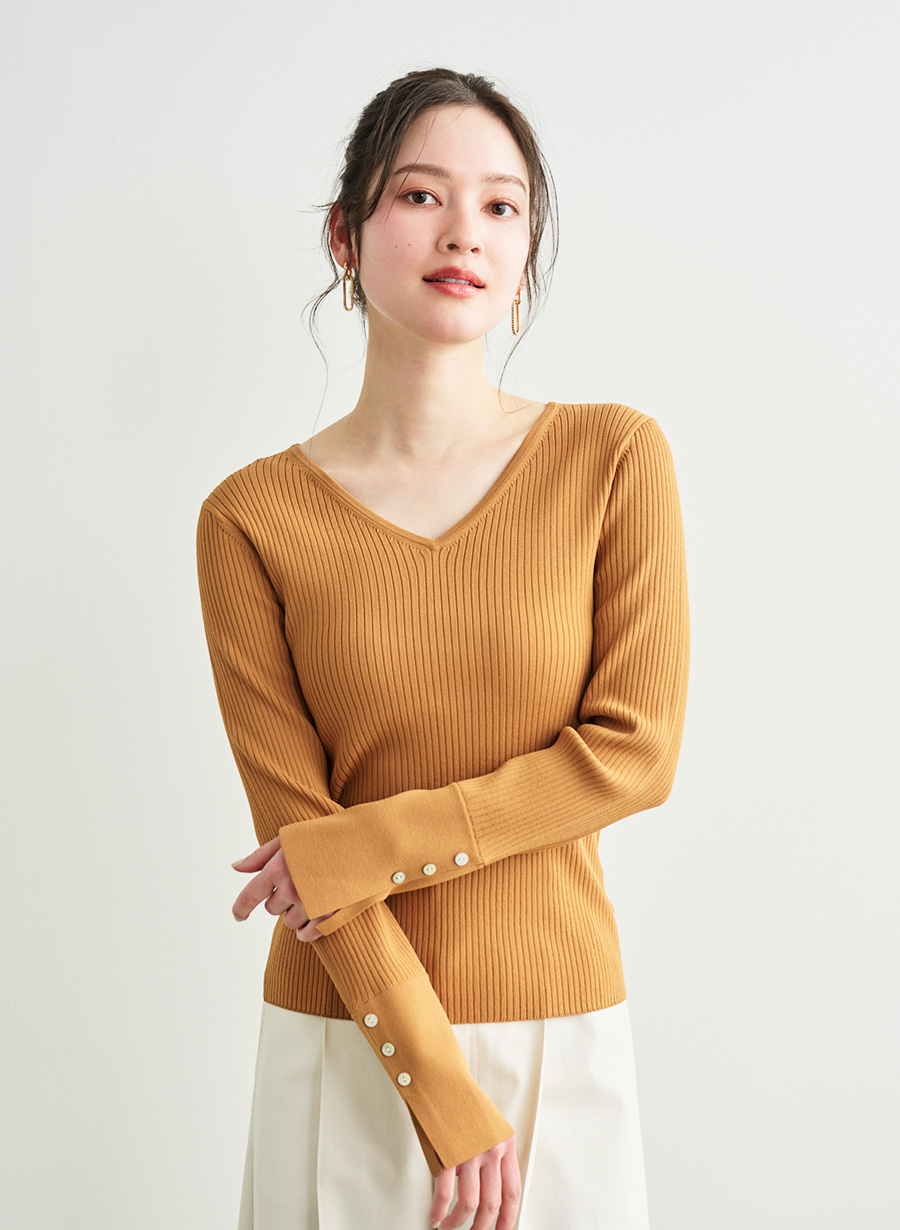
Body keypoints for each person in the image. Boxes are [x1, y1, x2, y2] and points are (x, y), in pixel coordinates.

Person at [196, 67, 690, 1230]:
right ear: (345, 235)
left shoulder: (614, 460)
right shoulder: (250, 519)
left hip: (560, 1031)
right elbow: (295, 823)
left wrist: (368, 844)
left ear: (525, 255)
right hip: (343, 1033)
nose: (465, 230)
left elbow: (635, 756)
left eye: (502, 206)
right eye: (420, 195)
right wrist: (438, 1087)